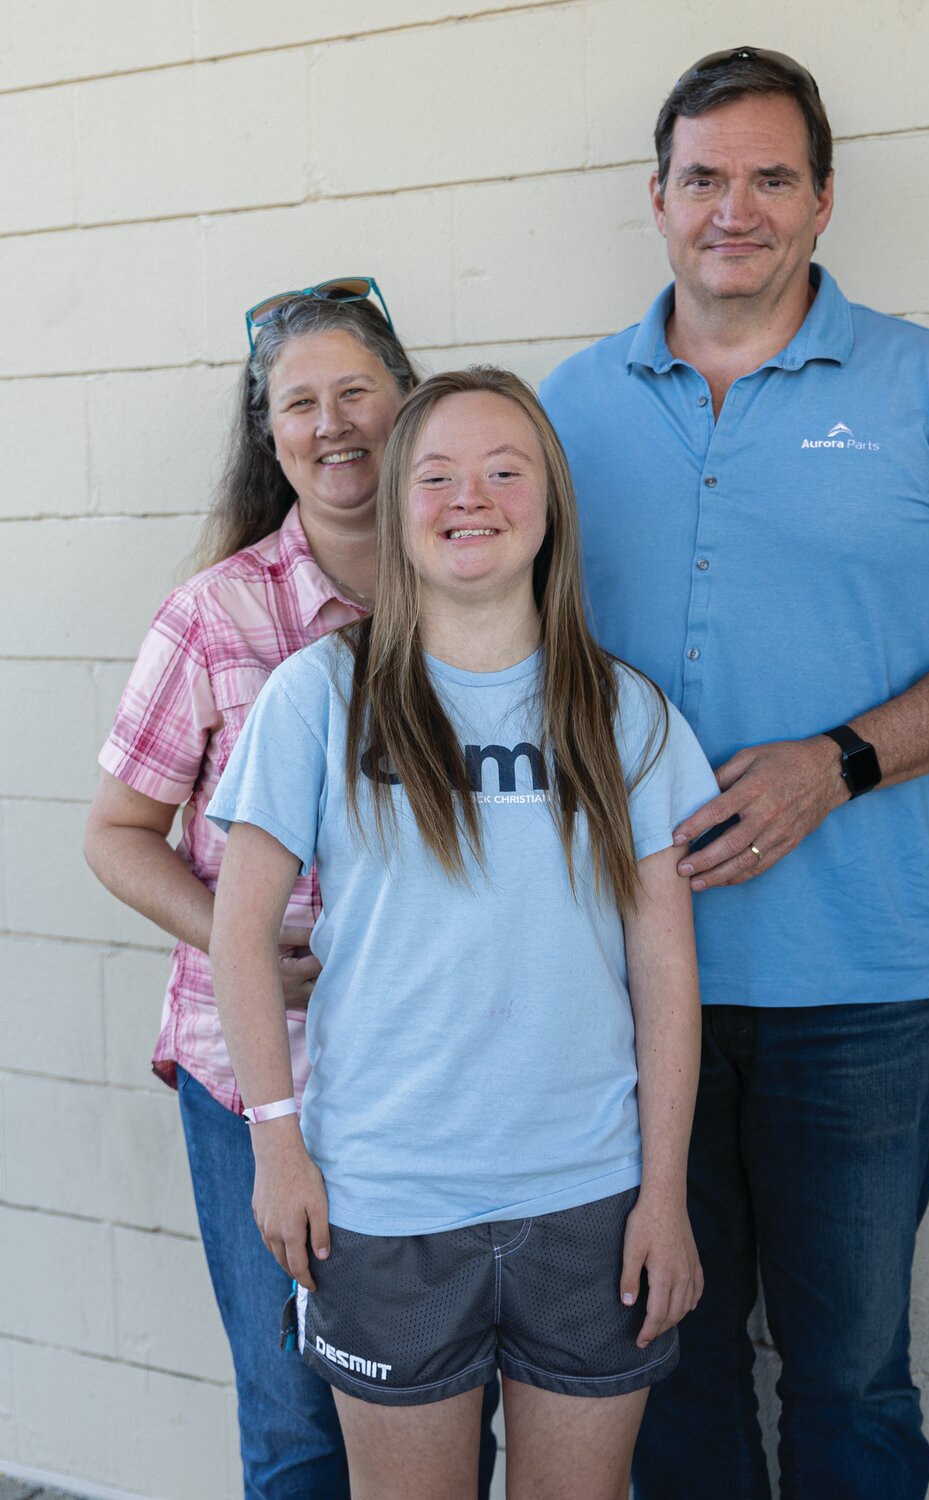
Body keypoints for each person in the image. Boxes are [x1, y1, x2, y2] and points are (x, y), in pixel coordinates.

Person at [540, 47, 929, 1500]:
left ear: (824, 200)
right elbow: (485, 654)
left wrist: (838, 765)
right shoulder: (565, 410)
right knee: (674, 1363)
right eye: (704, 176)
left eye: (773, 177)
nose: (737, 208)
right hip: (631, 983)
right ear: (655, 199)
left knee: (850, 1380)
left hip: (862, 984)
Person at [204, 366, 718, 1500]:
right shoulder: (316, 698)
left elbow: (665, 970)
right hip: (383, 1205)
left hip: (589, 1199)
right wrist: (277, 1145)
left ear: (549, 505)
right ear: (395, 507)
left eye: (502, 470)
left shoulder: (624, 713)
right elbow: (239, 936)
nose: (467, 497)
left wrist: (665, 1193)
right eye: (433, 474)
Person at [84, 280, 418, 1500]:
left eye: (356, 393)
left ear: (407, 405)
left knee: (432, 1405)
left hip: (432, 1077)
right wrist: (242, 942)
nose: (332, 424)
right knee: (294, 1421)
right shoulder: (216, 617)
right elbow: (118, 832)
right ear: (267, 436)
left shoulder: (481, 600)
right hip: (252, 1074)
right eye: (298, 405)